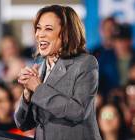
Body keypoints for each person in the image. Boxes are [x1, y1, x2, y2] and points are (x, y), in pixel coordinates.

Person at [14, 5, 102, 140]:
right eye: (38, 28)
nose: (40, 34)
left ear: (67, 33)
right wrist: (27, 95)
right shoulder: (40, 68)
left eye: (48, 29)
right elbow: (23, 124)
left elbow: (78, 111)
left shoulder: (86, 63)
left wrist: (37, 88)